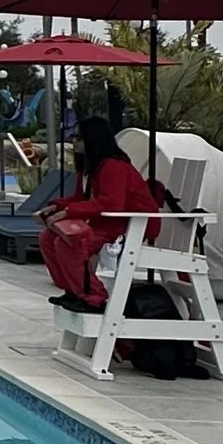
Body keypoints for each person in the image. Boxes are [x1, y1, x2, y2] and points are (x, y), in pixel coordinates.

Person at [40, 118, 163, 309]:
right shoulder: (91, 168)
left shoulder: (114, 166)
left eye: (79, 137)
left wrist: (69, 212)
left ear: (93, 139)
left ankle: (95, 297)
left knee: (71, 244)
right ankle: (73, 289)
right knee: (48, 238)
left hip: (129, 227)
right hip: (108, 223)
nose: (74, 141)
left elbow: (111, 203)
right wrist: (57, 207)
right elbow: (81, 197)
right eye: (74, 136)